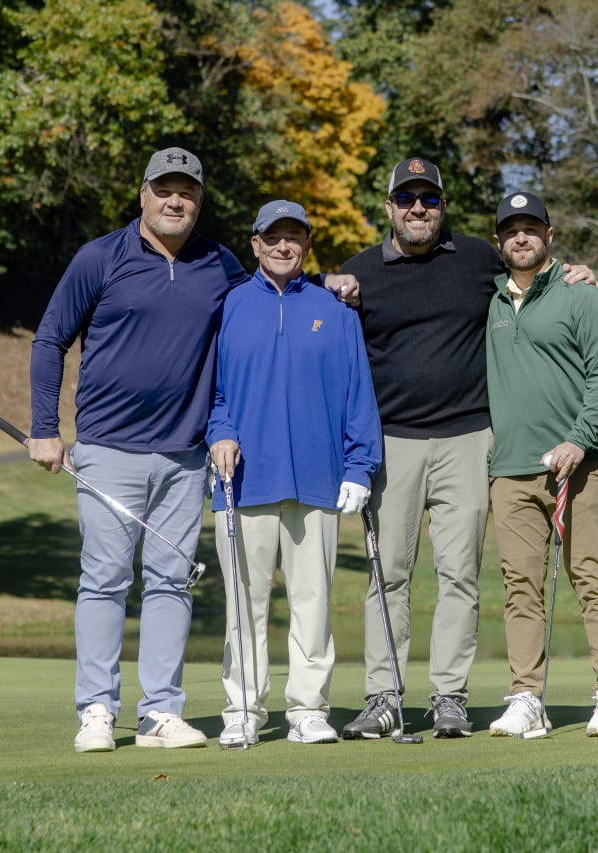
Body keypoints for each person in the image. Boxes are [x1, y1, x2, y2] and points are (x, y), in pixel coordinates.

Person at [29, 148, 358, 753]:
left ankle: (159, 711)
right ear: (144, 195)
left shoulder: (219, 263)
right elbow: (50, 338)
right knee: (103, 580)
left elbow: (272, 294)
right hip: (108, 446)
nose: (175, 201)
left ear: (199, 201)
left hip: (185, 454)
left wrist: (324, 284)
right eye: (164, 190)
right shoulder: (100, 257)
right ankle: (98, 710)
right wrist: (43, 427)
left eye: (187, 192)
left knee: (171, 582)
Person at [338, 158, 598, 739]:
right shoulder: (358, 273)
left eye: (428, 200)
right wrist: (321, 284)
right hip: (392, 442)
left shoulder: (479, 257)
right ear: (389, 208)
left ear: (442, 207)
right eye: (406, 199)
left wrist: (578, 273)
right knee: (390, 576)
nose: (417, 209)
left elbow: (535, 274)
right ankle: (383, 697)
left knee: (459, 575)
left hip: (468, 439)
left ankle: (449, 696)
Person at [207, 200, 382, 747]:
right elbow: (212, 392)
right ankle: (244, 709)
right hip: (243, 484)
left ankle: (308, 709)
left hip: (318, 480)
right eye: (273, 237)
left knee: (313, 603)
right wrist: (219, 434)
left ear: (307, 245)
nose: (284, 246)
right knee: (245, 602)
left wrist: (360, 466)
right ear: (254, 244)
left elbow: (359, 397)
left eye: (294, 238)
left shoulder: (335, 312)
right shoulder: (230, 306)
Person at [483, 191, 598, 738]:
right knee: (520, 586)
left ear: (549, 234)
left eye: (531, 228)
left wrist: (579, 439)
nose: (521, 237)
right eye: (511, 230)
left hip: (578, 467)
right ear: (498, 240)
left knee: (590, 577)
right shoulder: (492, 300)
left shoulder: (582, 296)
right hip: (511, 471)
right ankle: (526, 697)